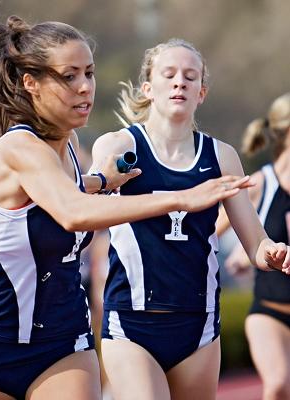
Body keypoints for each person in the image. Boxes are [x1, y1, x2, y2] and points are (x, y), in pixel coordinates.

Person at [0, 9, 255, 399]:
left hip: (64, 343)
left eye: (89, 73)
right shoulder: (18, 147)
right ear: (31, 83)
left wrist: (98, 181)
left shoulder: (69, 145)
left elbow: (72, 194)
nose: (85, 87)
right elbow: (73, 212)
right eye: (69, 77)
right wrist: (181, 198)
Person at [90, 38, 290, 400]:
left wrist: (273, 251)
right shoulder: (119, 147)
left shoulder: (221, 156)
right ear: (148, 88)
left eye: (190, 76)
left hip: (197, 325)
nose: (180, 82)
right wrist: (103, 182)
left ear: (202, 93)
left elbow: (255, 243)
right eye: (169, 74)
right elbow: (84, 211)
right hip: (132, 322)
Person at [217, 93, 290, 400]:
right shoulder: (261, 183)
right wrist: (244, 251)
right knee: (277, 385)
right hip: (269, 313)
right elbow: (206, 230)